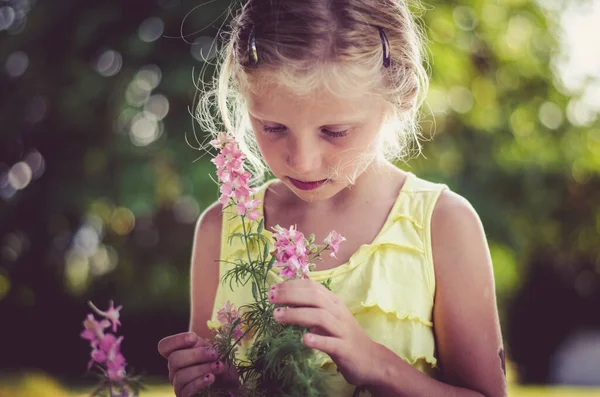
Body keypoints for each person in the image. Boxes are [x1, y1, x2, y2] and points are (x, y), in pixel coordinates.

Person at [158, 0, 507, 396]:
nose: (302, 162)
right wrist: (213, 386)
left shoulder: (443, 224)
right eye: (273, 127)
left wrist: (376, 363)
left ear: (399, 100)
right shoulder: (222, 229)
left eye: (335, 131)